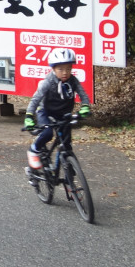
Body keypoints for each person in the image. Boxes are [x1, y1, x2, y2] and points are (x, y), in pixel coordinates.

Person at [23, 48, 91, 176]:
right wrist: (29, 116)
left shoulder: (73, 81)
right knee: (48, 133)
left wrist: (85, 106)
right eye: (60, 69)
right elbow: (36, 99)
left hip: (63, 114)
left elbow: (83, 94)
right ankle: (33, 150)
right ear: (53, 69)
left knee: (66, 144)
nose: (65, 72)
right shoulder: (48, 82)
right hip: (46, 111)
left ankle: (69, 176)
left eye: (68, 69)